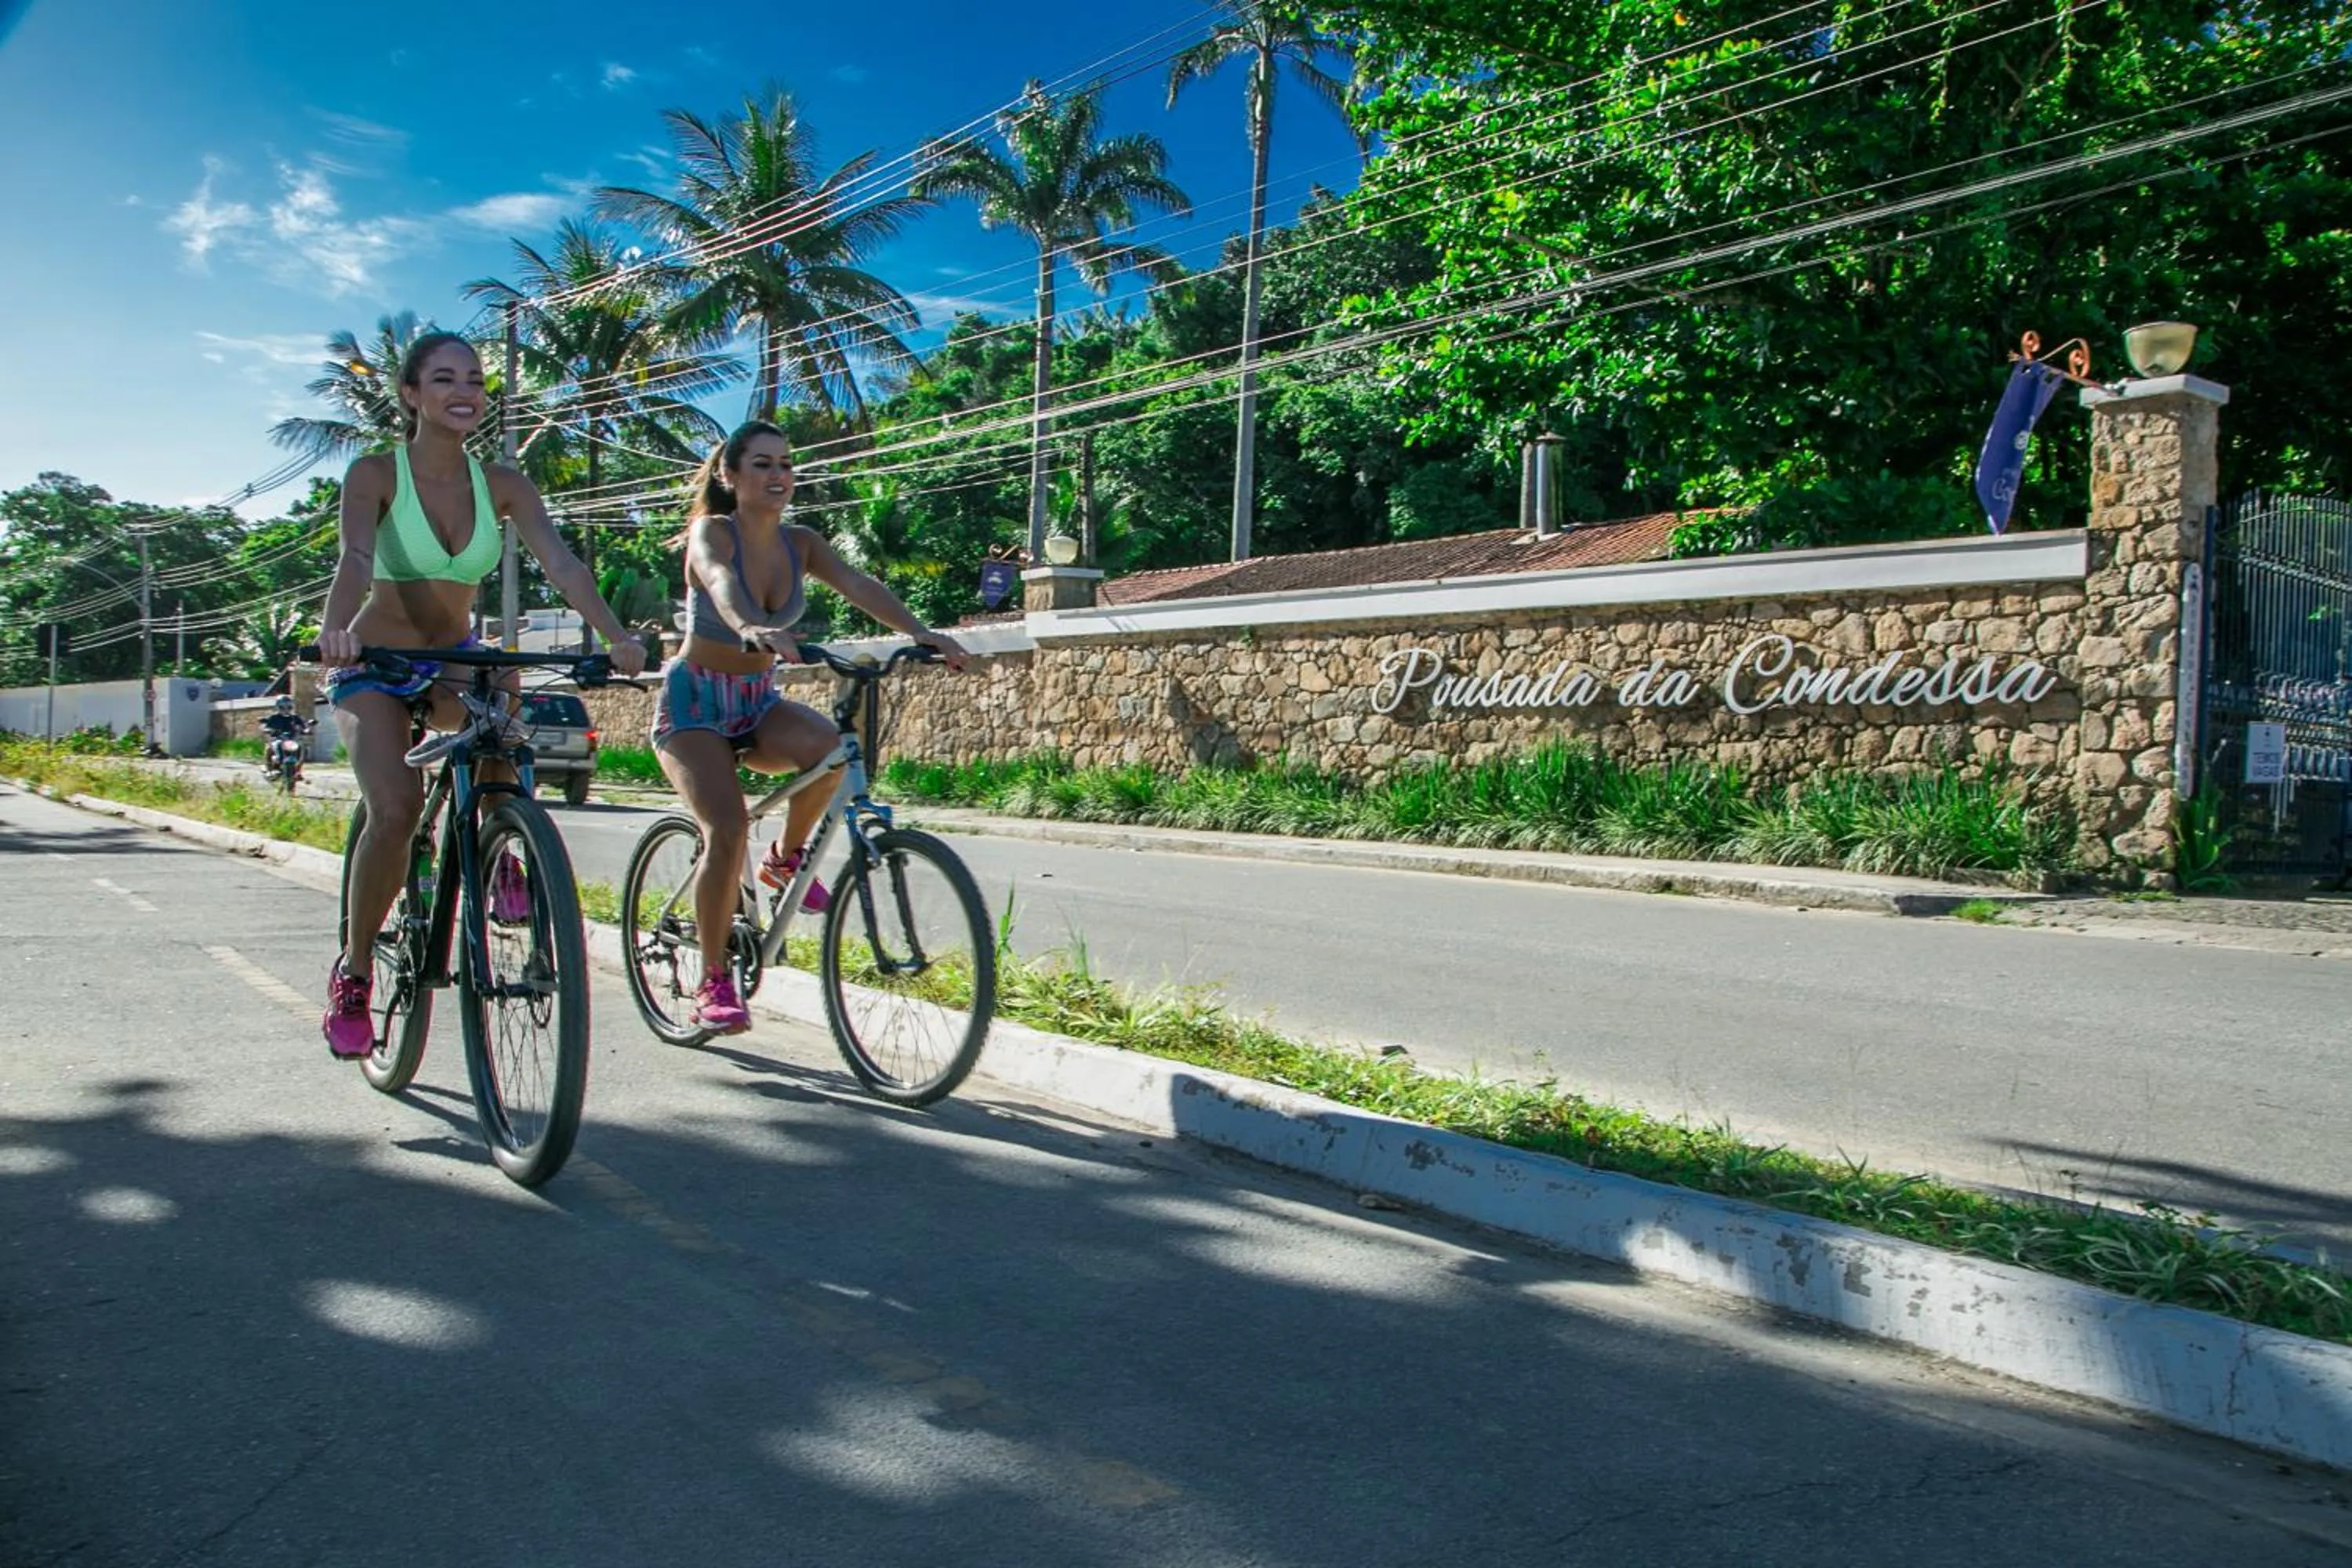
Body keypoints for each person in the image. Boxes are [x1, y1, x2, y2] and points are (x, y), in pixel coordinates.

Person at [314, 330, 648, 1059]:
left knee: (501, 709)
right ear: (411, 394)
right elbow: (357, 557)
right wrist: (335, 629)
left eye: (474, 379)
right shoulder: (376, 473)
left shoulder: (504, 484)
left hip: (455, 660)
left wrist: (616, 637)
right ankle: (356, 970)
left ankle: (503, 852)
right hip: (376, 658)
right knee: (395, 809)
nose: (464, 391)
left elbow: (561, 565)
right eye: (443, 379)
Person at [655, 420, 968, 1034]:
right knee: (726, 826)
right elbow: (719, 580)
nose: (778, 476)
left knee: (831, 752)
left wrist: (919, 632)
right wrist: (751, 625)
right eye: (763, 465)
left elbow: (857, 584)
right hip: (695, 702)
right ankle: (713, 979)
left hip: (754, 699)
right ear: (730, 475)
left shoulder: (801, 543)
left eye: (786, 465)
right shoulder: (711, 531)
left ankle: (785, 859)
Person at [260, 695, 313, 782]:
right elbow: (266, 727)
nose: (286, 709)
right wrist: (268, 730)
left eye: (288, 707)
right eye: (282, 707)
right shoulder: (274, 718)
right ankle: (269, 768)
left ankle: (298, 771)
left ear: (291, 707)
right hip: (277, 739)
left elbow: (304, 727)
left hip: (292, 740)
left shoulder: (295, 718)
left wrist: (307, 730)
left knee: (303, 748)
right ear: (278, 707)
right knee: (269, 748)